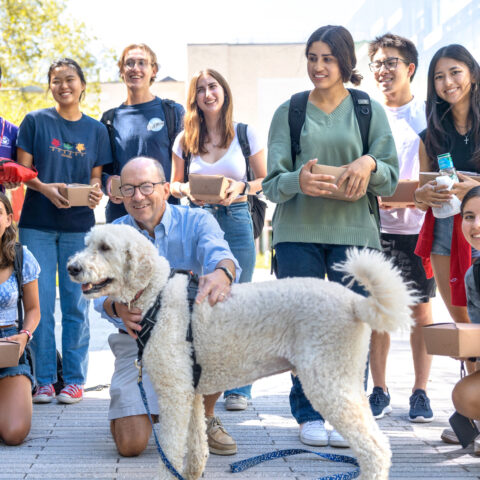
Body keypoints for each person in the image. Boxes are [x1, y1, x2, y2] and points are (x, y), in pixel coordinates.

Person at [262, 25, 398, 448]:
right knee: (304, 326)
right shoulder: (290, 110)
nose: (318, 66)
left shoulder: (366, 109)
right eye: (312, 57)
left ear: (344, 63)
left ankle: (344, 412)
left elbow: (390, 178)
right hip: (297, 231)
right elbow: (270, 185)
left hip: (355, 231)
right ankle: (307, 414)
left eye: (328, 58)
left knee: (349, 328)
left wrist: (369, 164)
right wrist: (297, 181)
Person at [94, 156, 241, 457]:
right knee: (131, 445)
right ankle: (156, 406)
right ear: (119, 194)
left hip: (189, 337)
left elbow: (222, 256)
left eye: (146, 186)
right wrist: (115, 307)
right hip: (136, 342)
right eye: (129, 189)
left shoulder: (198, 220)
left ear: (164, 188)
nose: (138, 196)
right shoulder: (112, 233)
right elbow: (98, 294)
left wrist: (221, 273)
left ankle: (204, 415)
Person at [16, 58, 112, 404]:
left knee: (75, 304)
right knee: (37, 304)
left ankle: (73, 379)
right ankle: (43, 379)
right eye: (56, 80)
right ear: (50, 86)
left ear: (82, 85)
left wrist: (97, 188)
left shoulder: (96, 130)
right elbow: (21, 172)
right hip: (36, 226)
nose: (63, 86)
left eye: (70, 79)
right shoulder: (35, 122)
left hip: (78, 228)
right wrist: (44, 188)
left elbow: (97, 175)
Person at [170, 69, 266, 411]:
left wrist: (240, 187)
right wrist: (189, 191)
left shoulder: (245, 133)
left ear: (224, 91)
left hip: (237, 218)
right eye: (201, 89)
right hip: (199, 221)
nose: (208, 93)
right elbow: (173, 185)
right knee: (204, 301)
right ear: (194, 98)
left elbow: (265, 182)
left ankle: (240, 387)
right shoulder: (184, 140)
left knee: (238, 301)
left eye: (213, 87)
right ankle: (206, 379)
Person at [367, 33, 436, 422]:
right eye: (377, 63)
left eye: (391, 62)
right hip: (374, 228)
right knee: (380, 312)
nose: (383, 70)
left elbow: (439, 175)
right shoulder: (367, 115)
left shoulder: (428, 115)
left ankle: (421, 392)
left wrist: (407, 197)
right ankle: (379, 389)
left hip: (418, 230)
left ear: (409, 68)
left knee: (420, 312)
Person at [414, 44, 480, 378]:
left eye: (455, 72)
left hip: (479, 230)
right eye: (439, 77)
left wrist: (474, 191)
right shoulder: (430, 135)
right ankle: (471, 407)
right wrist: (422, 193)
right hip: (444, 232)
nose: (448, 82)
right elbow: (421, 193)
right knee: (463, 325)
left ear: (472, 73)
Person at [101, 43, 185, 223]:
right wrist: (107, 182)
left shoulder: (173, 112)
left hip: (166, 214)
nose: (135, 69)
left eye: (142, 63)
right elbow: (99, 169)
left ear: (153, 70)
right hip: (122, 214)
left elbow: (189, 161)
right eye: (129, 63)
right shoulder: (109, 119)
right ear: (122, 71)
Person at [439, 186, 480, 448]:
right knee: (465, 394)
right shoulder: (473, 275)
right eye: (468, 216)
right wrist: (468, 347)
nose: (476, 225)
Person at [0, 193, 40, 445]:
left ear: (7, 219)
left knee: (15, 433)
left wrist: (24, 337)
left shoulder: (21, 257)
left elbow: (34, 309)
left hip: (10, 345)